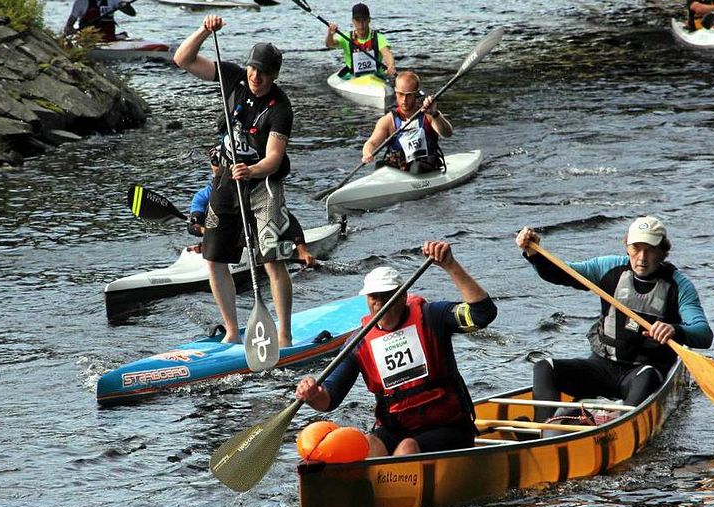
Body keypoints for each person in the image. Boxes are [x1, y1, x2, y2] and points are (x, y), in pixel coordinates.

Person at [295, 241, 498, 457]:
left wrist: (450, 265)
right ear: (366, 300)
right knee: (367, 445)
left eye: (387, 297)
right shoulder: (358, 343)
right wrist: (312, 394)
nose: (380, 304)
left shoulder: (432, 316)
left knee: (407, 448)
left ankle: (395, 485)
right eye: (374, 298)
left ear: (402, 296)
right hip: (397, 429)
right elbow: (329, 400)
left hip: (448, 427)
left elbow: (482, 314)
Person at [514, 216, 714, 423]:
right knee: (544, 367)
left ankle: (616, 423)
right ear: (627, 247)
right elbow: (562, 273)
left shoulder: (679, 286)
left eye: (650, 249)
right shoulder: (608, 269)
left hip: (641, 373)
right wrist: (534, 253)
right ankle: (544, 432)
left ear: (663, 251)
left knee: (647, 375)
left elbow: (703, 334)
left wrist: (675, 330)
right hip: (602, 366)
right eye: (636, 248)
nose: (642, 258)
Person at [173, 15, 295, 347]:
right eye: (253, 69)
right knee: (213, 258)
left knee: (272, 260)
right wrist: (204, 30)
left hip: (263, 187)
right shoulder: (233, 78)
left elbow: (273, 158)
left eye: (264, 73)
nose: (256, 77)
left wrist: (252, 171)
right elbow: (182, 59)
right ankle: (231, 330)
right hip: (227, 181)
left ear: (274, 76)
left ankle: (283, 334)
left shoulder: (280, 107)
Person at [187, 149, 316, 268]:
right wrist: (204, 230)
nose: (217, 166)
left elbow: (286, 217)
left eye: (219, 162)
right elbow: (193, 224)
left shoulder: (254, 189)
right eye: (214, 162)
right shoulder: (202, 196)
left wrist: (302, 250)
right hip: (230, 237)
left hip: (256, 236)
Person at [361, 71, 451, 175]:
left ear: (416, 94)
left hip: (424, 166)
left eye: (409, 95)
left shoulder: (428, 114)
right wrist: (367, 153)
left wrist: (435, 114)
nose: (404, 100)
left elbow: (447, 133)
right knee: (380, 166)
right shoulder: (388, 120)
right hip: (400, 166)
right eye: (401, 94)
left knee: (416, 168)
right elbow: (372, 143)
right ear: (395, 92)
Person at [325, 3, 395, 80]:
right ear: (353, 21)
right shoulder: (347, 37)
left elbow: (387, 53)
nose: (361, 25)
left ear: (369, 20)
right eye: (358, 21)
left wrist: (391, 65)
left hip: (376, 77)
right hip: (353, 77)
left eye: (364, 20)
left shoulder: (378, 37)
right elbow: (329, 44)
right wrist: (330, 34)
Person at [63, 0, 136, 41]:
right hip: (89, 41)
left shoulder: (113, 1)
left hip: (109, 38)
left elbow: (132, 14)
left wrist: (126, 6)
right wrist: (70, 30)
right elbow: (68, 27)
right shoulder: (81, 2)